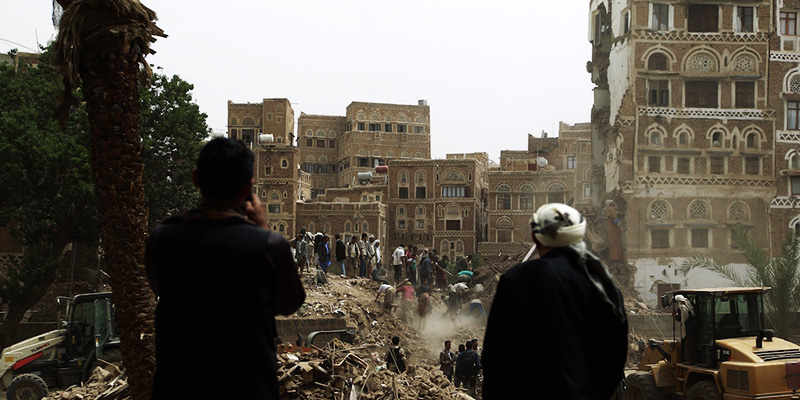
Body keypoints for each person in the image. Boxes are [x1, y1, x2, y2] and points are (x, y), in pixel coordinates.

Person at [145, 138, 306, 399]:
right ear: (248, 187)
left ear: (196, 179)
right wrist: (262, 228)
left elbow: (158, 286)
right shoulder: (269, 245)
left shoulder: (161, 240)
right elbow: (288, 303)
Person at [482, 203, 628, 400]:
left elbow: (496, 354)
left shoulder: (516, 280)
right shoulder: (605, 285)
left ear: (536, 237)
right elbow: (617, 353)